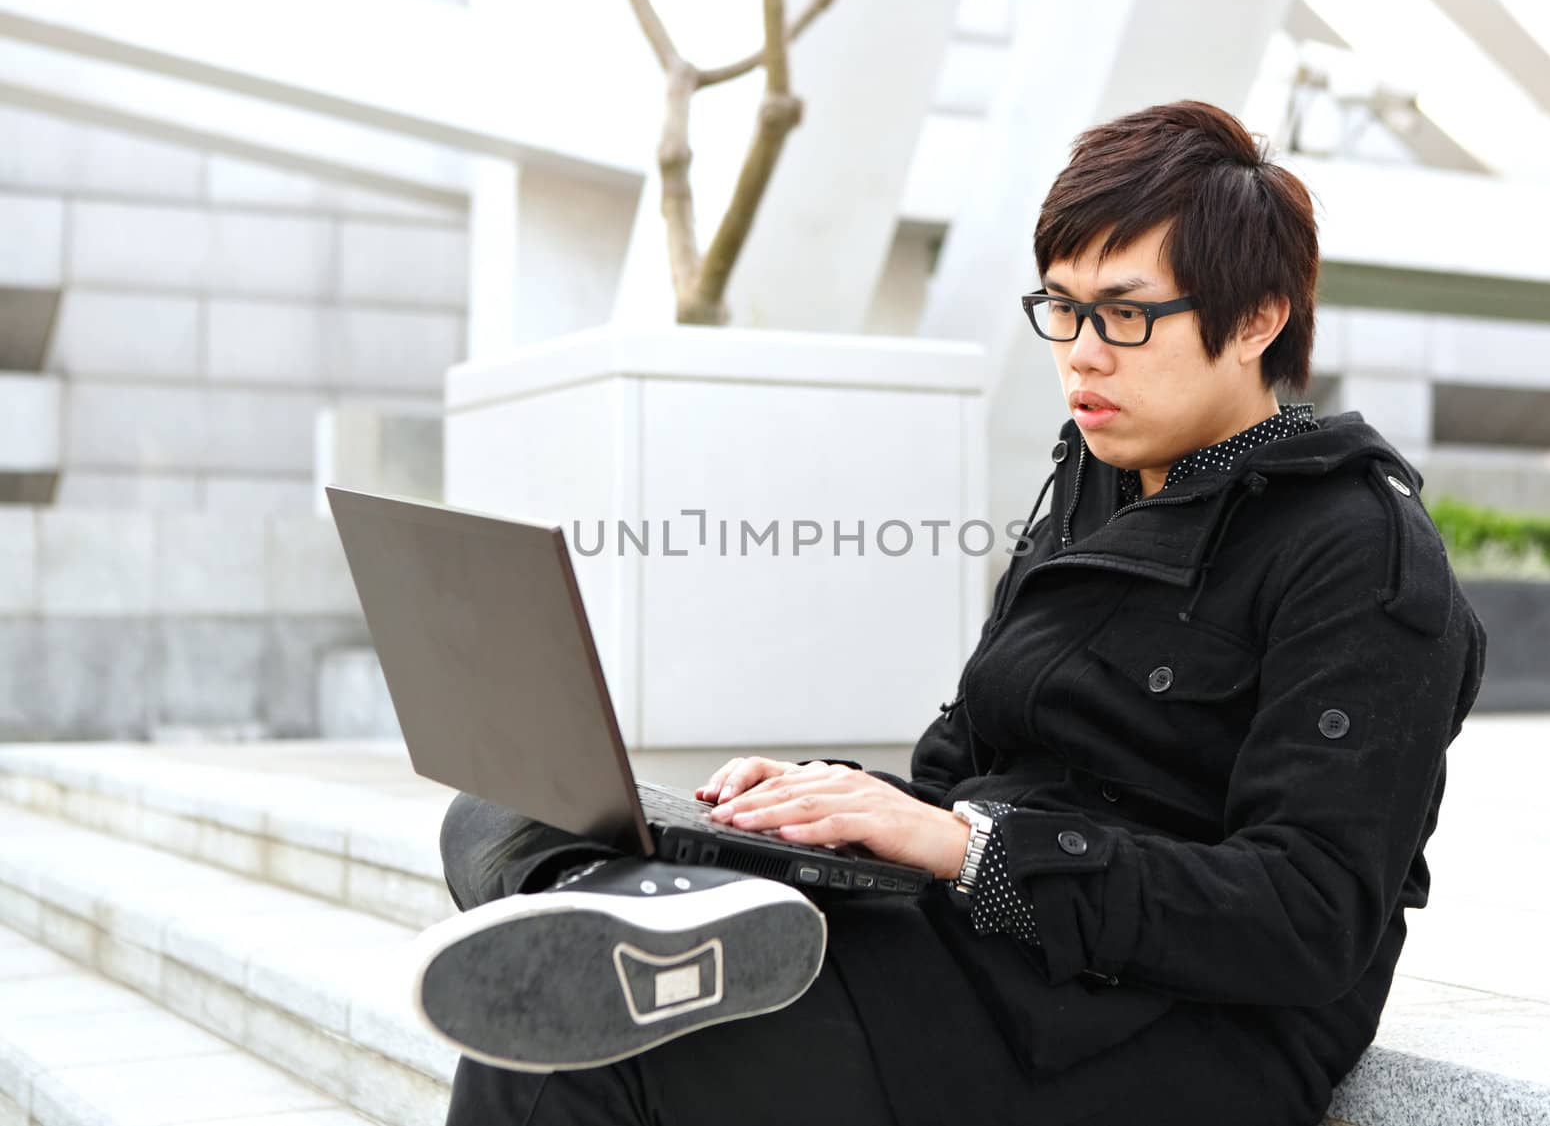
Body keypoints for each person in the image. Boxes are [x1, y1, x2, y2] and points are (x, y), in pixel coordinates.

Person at [423, 99, 1489, 1126]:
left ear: (1258, 319)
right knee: (515, 812)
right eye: (1060, 308)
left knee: (569, 1046)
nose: (1080, 351)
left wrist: (968, 848)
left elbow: (1307, 917)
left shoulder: (1361, 552)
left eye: (1124, 313)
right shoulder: (1099, 484)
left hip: (1170, 1030)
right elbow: (959, 780)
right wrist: (821, 803)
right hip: (991, 950)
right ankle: (650, 902)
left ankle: (653, 937)